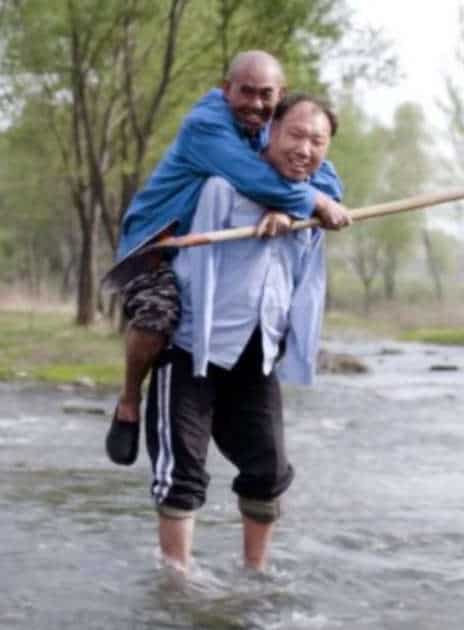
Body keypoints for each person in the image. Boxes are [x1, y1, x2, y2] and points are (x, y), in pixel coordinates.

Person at [106, 50, 350, 466]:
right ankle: (129, 401)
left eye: (266, 94)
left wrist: (294, 206)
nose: (255, 104)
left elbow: (323, 176)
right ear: (226, 90)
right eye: (246, 92)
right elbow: (255, 178)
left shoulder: (268, 128)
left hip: (205, 249)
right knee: (157, 315)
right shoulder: (207, 126)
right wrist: (310, 201)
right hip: (160, 245)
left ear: (280, 96)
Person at [145, 93, 339, 572]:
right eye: (295, 135)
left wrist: (294, 213)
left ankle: (255, 575)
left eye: (318, 141)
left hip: (257, 355)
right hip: (193, 349)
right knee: (182, 475)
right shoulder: (219, 186)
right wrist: (277, 202)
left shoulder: (315, 198)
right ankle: (177, 584)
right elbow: (239, 191)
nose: (305, 149)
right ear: (269, 131)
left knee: (269, 471)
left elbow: (323, 197)